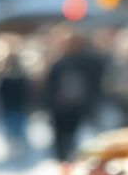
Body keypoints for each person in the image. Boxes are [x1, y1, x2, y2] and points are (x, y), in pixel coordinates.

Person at [43, 34, 102, 162]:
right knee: (59, 136)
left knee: (74, 135)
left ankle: (71, 158)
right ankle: (62, 159)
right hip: (60, 107)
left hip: (78, 105)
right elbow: (50, 86)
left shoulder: (87, 62)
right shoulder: (58, 63)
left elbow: (93, 83)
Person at [0, 53, 30, 155]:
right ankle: (18, 148)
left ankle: (16, 148)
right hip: (16, 106)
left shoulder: (6, 76)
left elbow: (0, 92)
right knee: (18, 129)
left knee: (13, 129)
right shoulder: (19, 76)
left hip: (11, 106)